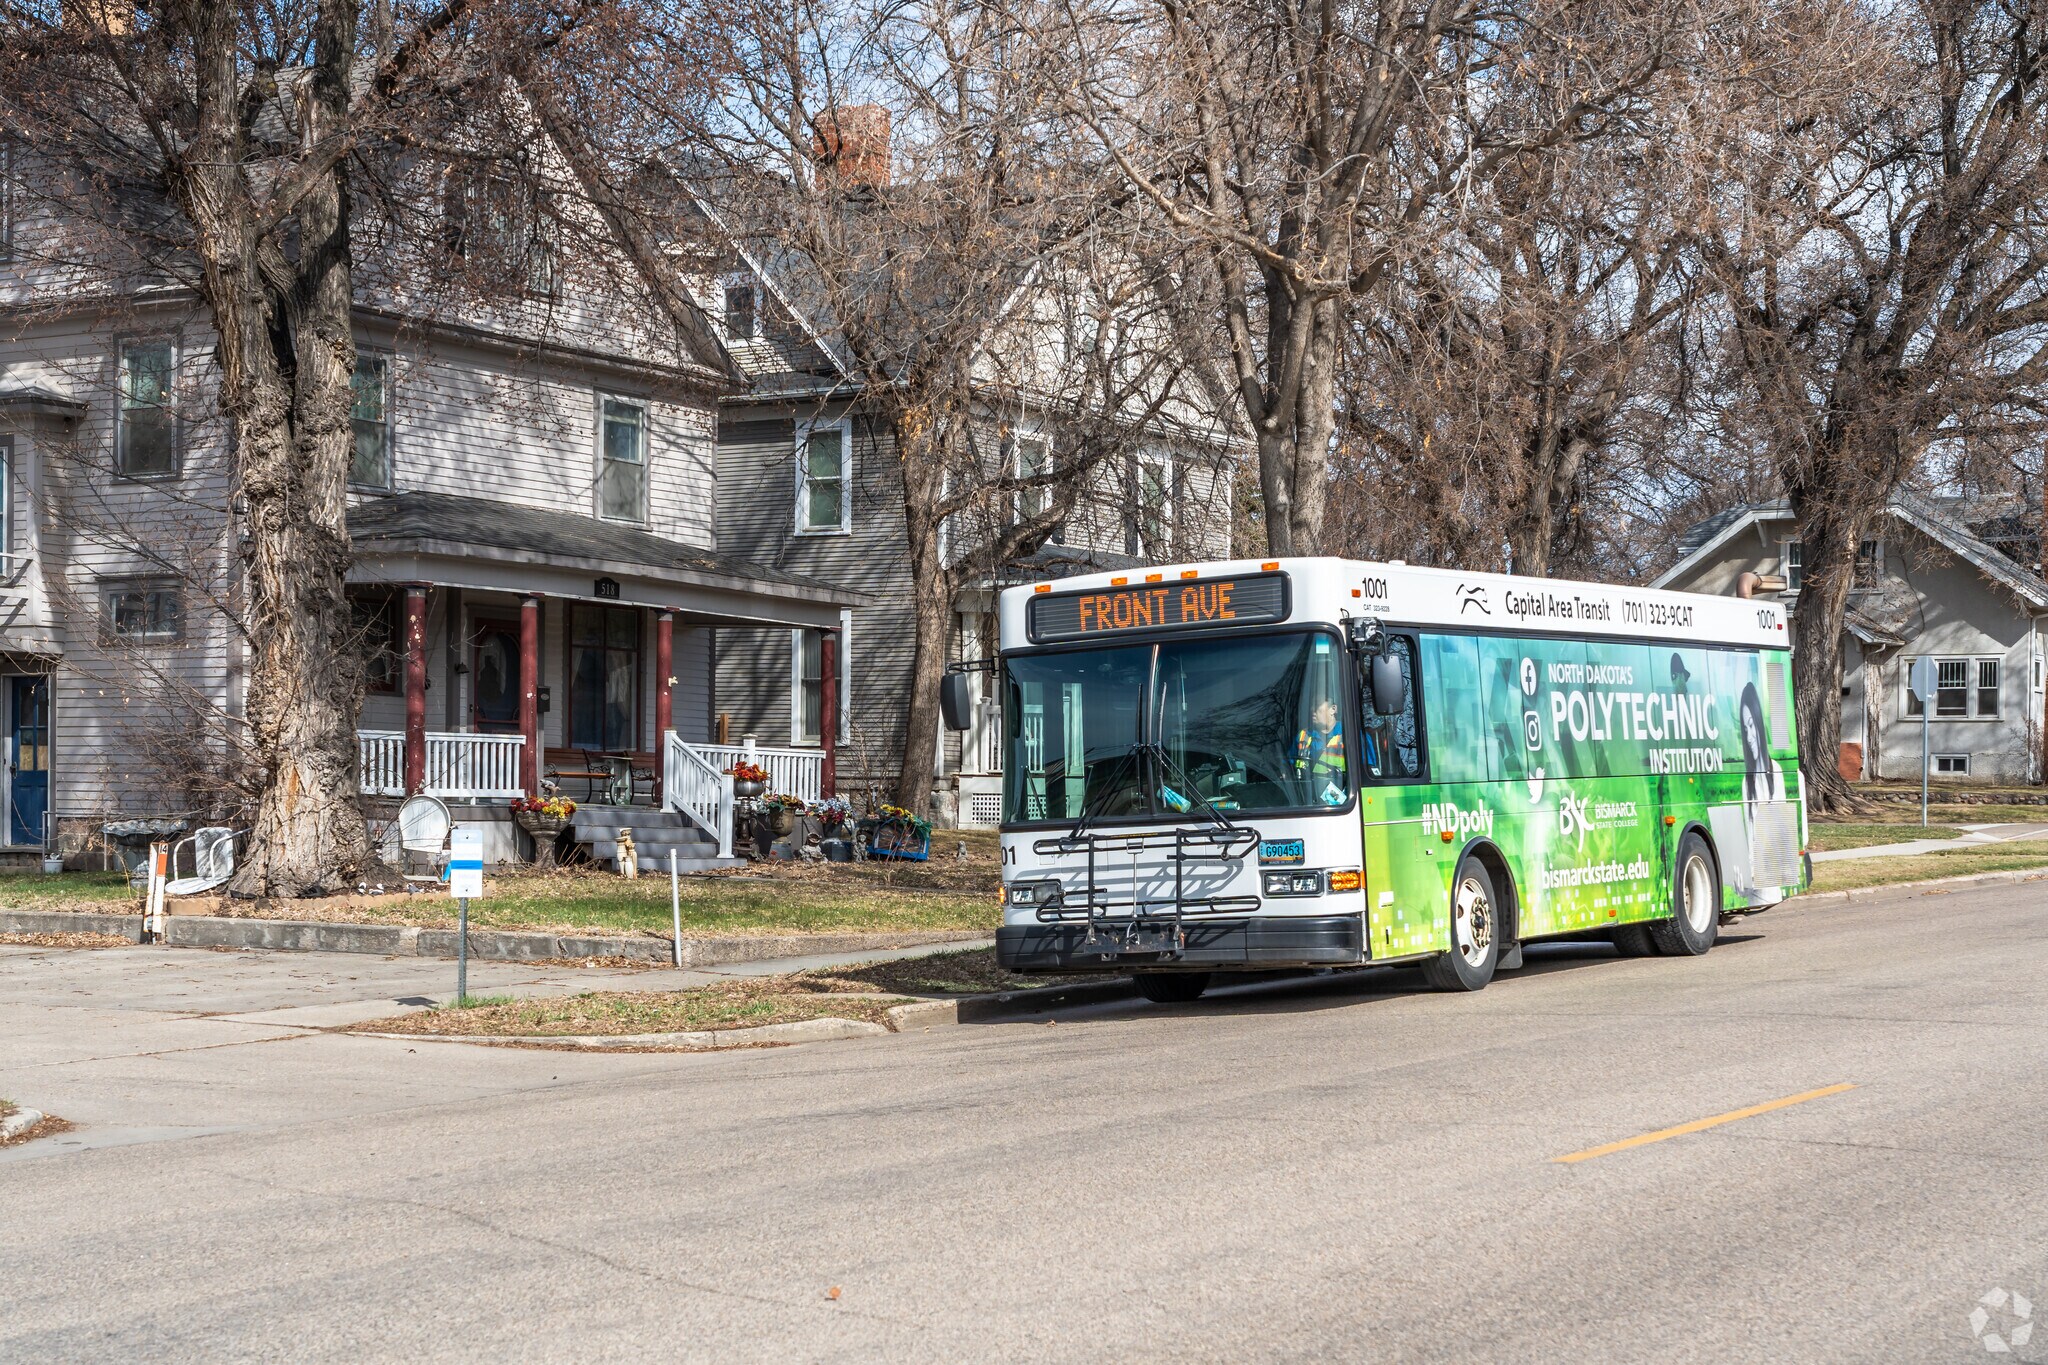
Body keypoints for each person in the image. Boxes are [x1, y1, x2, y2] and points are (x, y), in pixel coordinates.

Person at [1296, 693, 1348, 804]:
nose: (1312, 710)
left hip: (1345, 807)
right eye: (1311, 706)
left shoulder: (1351, 735)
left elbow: (1364, 778)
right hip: (1305, 803)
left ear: (1333, 709)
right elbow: (1286, 769)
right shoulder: (1303, 736)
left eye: (1317, 705)